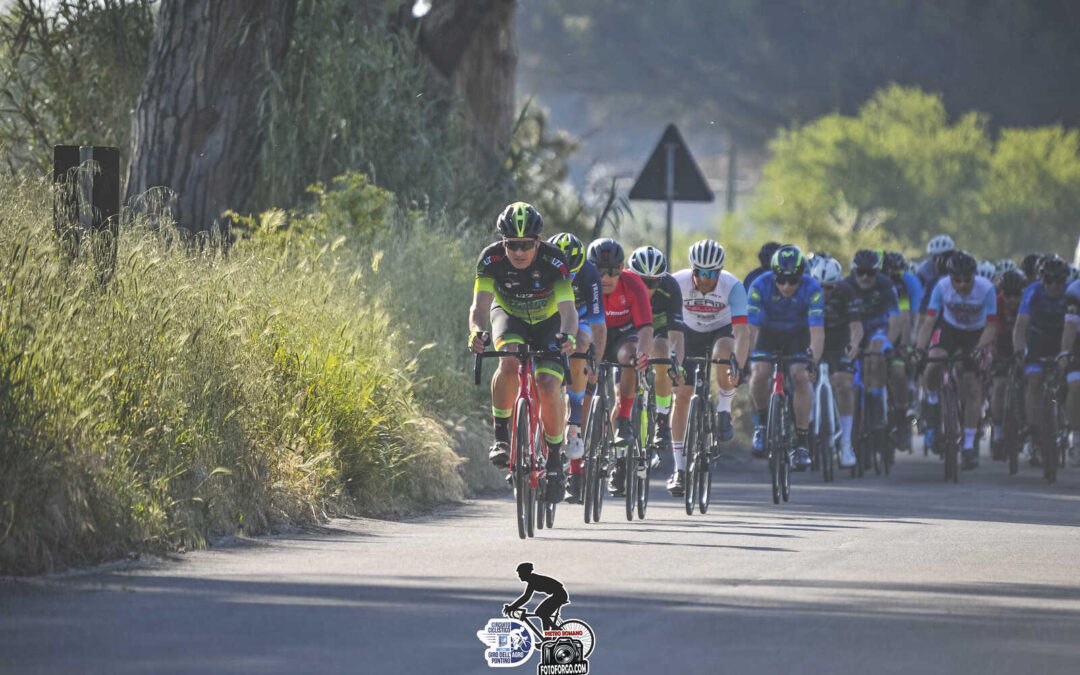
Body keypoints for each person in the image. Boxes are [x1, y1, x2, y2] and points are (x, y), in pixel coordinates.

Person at [469, 203, 578, 503]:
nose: (518, 252)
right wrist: (477, 333)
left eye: (526, 245)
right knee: (509, 360)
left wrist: (568, 335)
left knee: (547, 384)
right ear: (503, 242)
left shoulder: (555, 261)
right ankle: (502, 437)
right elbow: (479, 308)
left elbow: (569, 312)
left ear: (538, 243)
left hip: (548, 320)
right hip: (509, 315)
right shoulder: (490, 260)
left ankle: (555, 459)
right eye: (512, 245)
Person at [669, 239, 748, 491]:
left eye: (711, 273)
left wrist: (740, 366)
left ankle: (724, 408)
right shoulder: (676, 283)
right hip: (688, 333)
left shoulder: (733, 286)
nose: (705, 279)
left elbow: (743, 332)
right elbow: (667, 325)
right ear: (692, 269)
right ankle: (679, 470)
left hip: (720, 330)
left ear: (720, 271)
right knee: (681, 396)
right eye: (700, 272)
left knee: (724, 352)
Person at [746, 245, 825, 469]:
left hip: (798, 335)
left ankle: (801, 443)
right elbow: (750, 329)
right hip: (768, 334)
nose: (787, 286)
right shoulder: (760, 285)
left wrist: (813, 361)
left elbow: (817, 333)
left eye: (793, 281)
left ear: (802, 276)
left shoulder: (813, 289)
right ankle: (761, 424)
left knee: (800, 376)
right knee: (759, 373)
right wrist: (745, 361)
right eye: (781, 280)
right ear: (774, 275)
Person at [916, 251, 997, 469]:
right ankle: (932, 402)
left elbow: (991, 327)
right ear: (950, 278)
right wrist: (920, 348)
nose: (961, 285)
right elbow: (929, 321)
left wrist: (980, 348)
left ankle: (969, 444)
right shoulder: (941, 287)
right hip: (950, 330)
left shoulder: (986, 289)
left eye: (966, 280)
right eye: (957, 280)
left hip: (975, 334)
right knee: (934, 362)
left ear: (974, 276)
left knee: (971, 387)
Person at [587, 238, 654, 496]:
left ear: (622, 268)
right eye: (600, 271)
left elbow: (646, 328)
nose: (606, 277)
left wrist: (642, 353)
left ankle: (624, 417)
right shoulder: (583, 283)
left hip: (624, 335)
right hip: (593, 334)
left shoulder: (633, 284)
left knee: (629, 356)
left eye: (613, 271)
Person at [548, 232, 606, 504]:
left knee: (583, 340)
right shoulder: (543, 264)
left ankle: (576, 409)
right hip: (546, 318)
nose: (568, 278)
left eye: (573, 273)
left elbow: (598, 325)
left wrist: (596, 363)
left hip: (579, 321)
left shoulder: (590, 274)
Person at [627, 245, 685, 469]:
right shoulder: (624, 285)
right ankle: (620, 451)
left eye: (654, 282)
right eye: (643, 282)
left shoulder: (670, 287)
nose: (648, 288)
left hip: (659, 330)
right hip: (630, 331)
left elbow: (677, 334)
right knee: (620, 385)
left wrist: (676, 364)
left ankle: (662, 417)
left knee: (662, 355)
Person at [1014, 255, 1069, 467]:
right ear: (1042, 280)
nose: (1055, 286)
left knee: (1066, 381)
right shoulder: (1033, 291)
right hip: (1037, 339)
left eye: (1060, 282)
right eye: (1050, 281)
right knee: (1034, 380)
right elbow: (1020, 326)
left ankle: (1063, 421)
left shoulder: (1070, 292)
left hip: (1060, 339)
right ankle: (1034, 434)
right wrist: (1020, 351)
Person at [809, 255, 862, 467]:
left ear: (837, 284)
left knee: (842, 384)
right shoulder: (806, 292)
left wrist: (855, 343)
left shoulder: (847, 292)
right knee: (803, 378)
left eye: (830, 288)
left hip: (839, 342)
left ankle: (846, 443)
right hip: (813, 340)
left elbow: (856, 325)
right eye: (820, 287)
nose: (824, 293)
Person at [847, 250, 901, 435]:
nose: (864, 277)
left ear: (877, 272)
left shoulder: (886, 285)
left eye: (870, 272)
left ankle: (877, 403)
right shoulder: (844, 286)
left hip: (878, 328)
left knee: (876, 354)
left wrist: (888, 343)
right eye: (860, 272)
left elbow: (895, 320)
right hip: (853, 329)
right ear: (853, 271)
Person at [883, 251, 923, 450]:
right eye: (890, 271)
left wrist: (906, 346)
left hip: (896, 336)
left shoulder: (904, 286)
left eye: (898, 271)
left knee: (898, 373)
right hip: (874, 334)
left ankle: (901, 418)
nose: (894, 275)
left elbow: (907, 319)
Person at [988, 269, 1026, 460]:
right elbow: (993, 335)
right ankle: (997, 430)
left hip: (1023, 345)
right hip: (1001, 346)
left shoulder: (1028, 301)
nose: (1012, 300)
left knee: (1028, 382)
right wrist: (996, 357)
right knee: (1000, 385)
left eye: (1016, 295)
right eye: (1008, 295)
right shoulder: (996, 303)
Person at [503, 562, 569, 632]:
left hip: (560, 595)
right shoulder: (532, 579)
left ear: (525, 573)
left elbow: (526, 597)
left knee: (540, 613)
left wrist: (512, 607)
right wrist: (512, 607)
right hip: (558, 594)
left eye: (520, 573)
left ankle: (556, 629)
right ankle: (547, 637)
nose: (519, 576)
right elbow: (525, 597)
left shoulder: (533, 580)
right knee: (543, 615)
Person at [1057, 272, 1080, 466]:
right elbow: (1070, 326)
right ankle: (1077, 434)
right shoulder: (1074, 291)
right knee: (1075, 384)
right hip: (1078, 342)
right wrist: (1065, 352)